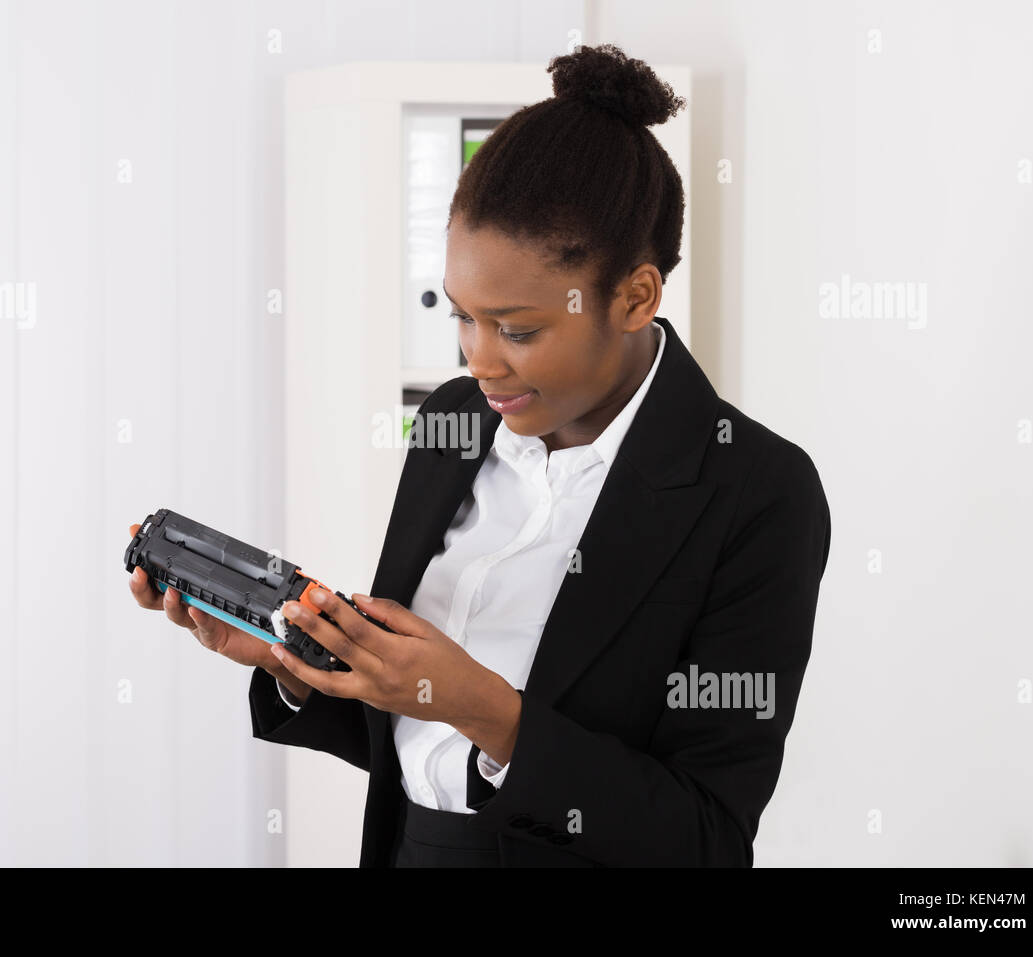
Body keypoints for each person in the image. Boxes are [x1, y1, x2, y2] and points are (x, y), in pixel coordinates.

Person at [128, 43, 830, 867]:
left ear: (636, 296)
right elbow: (415, 751)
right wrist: (299, 665)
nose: (478, 360)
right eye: (462, 315)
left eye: (519, 329)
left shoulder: (755, 492)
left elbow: (705, 837)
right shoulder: (455, 423)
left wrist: (490, 709)